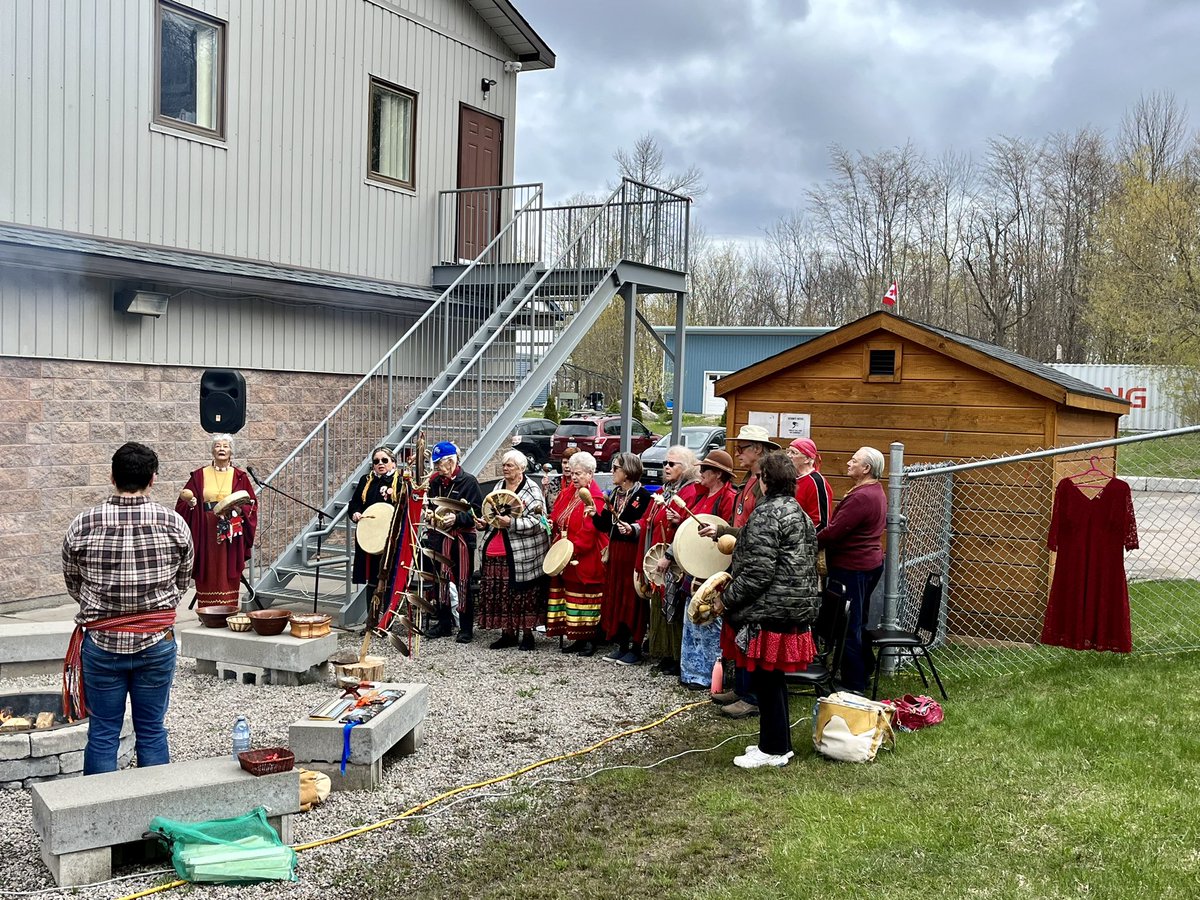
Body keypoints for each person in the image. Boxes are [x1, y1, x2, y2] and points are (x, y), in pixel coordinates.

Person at [62, 442, 194, 775]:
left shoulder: (83, 524)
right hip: (156, 641)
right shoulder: (174, 523)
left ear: (112, 476)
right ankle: (153, 805)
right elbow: (182, 582)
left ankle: (100, 808)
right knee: (152, 730)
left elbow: (74, 584)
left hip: (101, 643)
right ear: (153, 478)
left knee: (103, 732)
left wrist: (106, 610)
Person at [712, 451, 821, 768]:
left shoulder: (767, 514)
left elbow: (759, 573)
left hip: (770, 611)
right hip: (791, 607)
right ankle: (778, 743)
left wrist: (726, 599)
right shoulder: (797, 511)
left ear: (765, 481)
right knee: (773, 680)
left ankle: (772, 749)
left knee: (767, 680)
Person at [700, 424, 780, 718]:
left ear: (758, 449)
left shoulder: (765, 483)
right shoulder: (750, 479)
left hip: (755, 564)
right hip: (743, 560)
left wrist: (723, 531)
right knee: (739, 627)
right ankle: (743, 687)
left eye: (742, 448)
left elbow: (757, 530)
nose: (737, 453)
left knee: (752, 630)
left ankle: (752, 696)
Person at [818, 446, 887, 693]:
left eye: (854, 460)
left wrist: (809, 539)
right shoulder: (875, 490)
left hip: (853, 567)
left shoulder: (862, 497)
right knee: (857, 620)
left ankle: (853, 683)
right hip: (867, 564)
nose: (848, 463)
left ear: (866, 468)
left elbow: (836, 531)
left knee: (849, 624)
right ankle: (864, 668)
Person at [477, 449, 551, 651]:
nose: (505, 468)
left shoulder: (531, 489)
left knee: (523, 594)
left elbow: (539, 521)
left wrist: (512, 523)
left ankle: (527, 635)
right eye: (504, 465)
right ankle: (507, 633)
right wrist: (485, 522)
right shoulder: (499, 486)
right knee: (502, 594)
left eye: (509, 465)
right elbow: (492, 511)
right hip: (496, 548)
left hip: (523, 553)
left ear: (521, 468)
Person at [677, 449, 739, 690]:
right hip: (696, 566)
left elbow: (728, 536)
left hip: (713, 566)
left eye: (705, 469)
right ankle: (690, 672)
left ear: (718, 474)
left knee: (709, 619)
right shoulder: (700, 495)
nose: (700, 473)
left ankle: (708, 675)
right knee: (692, 618)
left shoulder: (728, 499)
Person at [639, 445, 702, 676]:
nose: (666, 467)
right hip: (659, 557)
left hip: (676, 560)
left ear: (684, 468)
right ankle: (664, 653)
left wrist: (678, 521)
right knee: (660, 605)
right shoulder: (665, 490)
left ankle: (676, 656)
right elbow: (649, 519)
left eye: (671, 464)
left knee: (673, 607)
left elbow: (692, 526)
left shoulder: (690, 492)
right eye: (665, 463)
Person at [175, 433, 257, 607]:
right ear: (212, 450)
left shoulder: (240, 476)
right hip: (206, 528)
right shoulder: (200, 475)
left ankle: (228, 608)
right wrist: (191, 504)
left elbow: (251, 504)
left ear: (231, 451)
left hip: (230, 526)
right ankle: (207, 610)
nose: (221, 449)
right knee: (208, 565)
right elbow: (183, 502)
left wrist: (239, 509)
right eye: (218, 446)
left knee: (228, 565)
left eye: (225, 446)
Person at [590, 452, 654, 665]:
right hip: (616, 552)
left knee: (632, 598)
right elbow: (605, 525)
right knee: (616, 596)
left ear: (627, 472)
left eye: (616, 467)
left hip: (632, 553)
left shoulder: (643, 496)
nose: (612, 471)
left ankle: (636, 647)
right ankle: (622, 644)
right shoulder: (614, 495)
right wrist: (593, 514)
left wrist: (633, 529)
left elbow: (647, 524)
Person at [546, 451, 607, 655]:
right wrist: (552, 523)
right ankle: (577, 636)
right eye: (572, 473)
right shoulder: (568, 493)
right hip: (567, 551)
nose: (574, 477)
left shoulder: (595, 498)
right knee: (571, 596)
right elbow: (557, 514)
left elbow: (590, 530)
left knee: (587, 596)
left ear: (590, 474)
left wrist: (573, 550)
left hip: (585, 554)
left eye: (578, 473)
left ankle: (590, 638)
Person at [424, 441, 484, 643]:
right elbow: (430, 504)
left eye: (439, 464)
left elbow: (477, 511)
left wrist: (457, 518)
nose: (436, 468)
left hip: (462, 539)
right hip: (439, 537)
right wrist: (430, 515)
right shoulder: (435, 482)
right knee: (440, 581)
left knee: (463, 582)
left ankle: (466, 628)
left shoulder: (469, 481)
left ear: (451, 462)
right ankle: (444, 623)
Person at [347, 446, 401, 585]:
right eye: (376, 461)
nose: (380, 463)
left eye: (384, 460)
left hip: (390, 535)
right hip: (370, 534)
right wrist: (355, 513)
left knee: (389, 577)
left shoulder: (400, 482)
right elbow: (355, 503)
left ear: (393, 463)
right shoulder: (366, 480)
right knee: (371, 578)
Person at [788, 437, 833, 532]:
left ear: (807, 459)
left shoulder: (816, 482)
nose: (788, 456)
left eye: (794, 453)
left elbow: (821, 522)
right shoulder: (789, 477)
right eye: (788, 451)